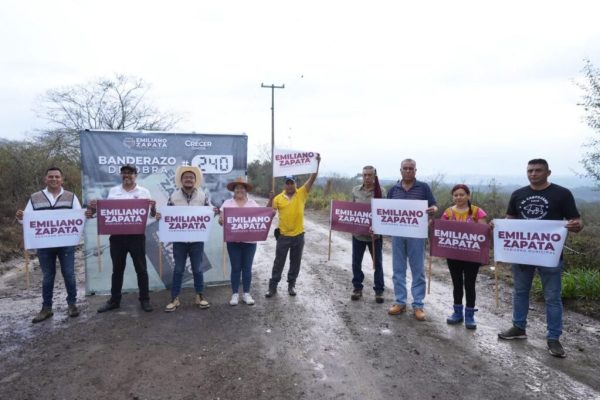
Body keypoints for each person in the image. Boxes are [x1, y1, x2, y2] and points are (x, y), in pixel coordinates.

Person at [498, 159, 583, 358]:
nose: (533, 174)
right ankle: (518, 327)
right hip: (522, 253)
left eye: (537, 170)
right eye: (530, 171)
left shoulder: (562, 194)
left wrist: (576, 226)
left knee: (552, 297)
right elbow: (510, 221)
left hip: (550, 255)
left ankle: (553, 338)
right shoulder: (518, 194)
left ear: (548, 172)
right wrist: (499, 228)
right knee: (520, 292)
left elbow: (577, 220)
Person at [16, 167, 82, 323]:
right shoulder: (35, 197)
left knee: (69, 274)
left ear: (62, 179)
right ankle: (46, 308)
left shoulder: (71, 197)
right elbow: (26, 220)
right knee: (48, 276)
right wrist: (20, 217)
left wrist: (86, 215)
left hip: (66, 243)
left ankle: (72, 305)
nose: (54, 179)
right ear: (45, 179)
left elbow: (79, 217)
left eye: (57, 177)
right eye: (51, 177)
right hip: (44, 244)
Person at [87, 164, 156, 313]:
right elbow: (108, 213)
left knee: (141, 269)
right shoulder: (113, 191)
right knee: (117, 270)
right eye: (124, 173)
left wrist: (154, 208)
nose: (127, 175)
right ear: (121, 175)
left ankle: (145, 299)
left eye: (130, 173)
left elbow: (151, 216)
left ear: (135, 175)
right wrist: (96, 208)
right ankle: (114, 300)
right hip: (117, 237)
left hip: (137, 237)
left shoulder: (144, 192)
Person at [386, 159, 438, 321]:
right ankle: (400, 301)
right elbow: (386, 210)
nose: (408, 171)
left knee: (418, 270)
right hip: (398, 234)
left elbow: (434, 205)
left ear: (416, 170)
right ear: (400, 170)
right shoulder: (393, 189)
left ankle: (418, 304)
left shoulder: (423, 187)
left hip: (417, 234)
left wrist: (433, 210)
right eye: (405, 168)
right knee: (398, 269)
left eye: (411, 169)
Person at [265, 153, 321, 297]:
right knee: (279, 263)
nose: (290, 185)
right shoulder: (278, 198)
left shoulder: (301, 193)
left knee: (295, 263)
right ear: (284, 184)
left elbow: (312, 178)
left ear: (295, 183)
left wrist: (316, 164)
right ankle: (273, 286)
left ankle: (291, 285)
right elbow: (268, 214)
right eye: (287, 182)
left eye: (292, 182)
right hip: (283, 236)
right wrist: (270, 200)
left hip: (298, 236)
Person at [157, 166, 211, 312]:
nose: (188, 179)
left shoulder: (202, 196)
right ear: (181, 180)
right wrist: (160, 216)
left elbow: (209, 213)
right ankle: (175, 298)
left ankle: (200, 296)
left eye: (191, 177)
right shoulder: (173, 196)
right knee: (179, 269)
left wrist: (215, 211)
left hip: (197, 240)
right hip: (179, 240)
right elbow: (167, 215)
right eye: (185, 177)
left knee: (198, 269)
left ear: (195, 180)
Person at [441, 184, 488, 329]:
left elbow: (484, 231)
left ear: (468, 195)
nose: (459, 197)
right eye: (456, 195)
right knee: (456, 283)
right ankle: (457, 313)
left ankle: (470, 315)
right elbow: (442, 230)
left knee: (470, 284)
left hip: (471, 255)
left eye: (462, 194)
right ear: (452, 197)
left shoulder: (476, 211)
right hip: (453, 254)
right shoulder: (448, 212)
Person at [218, 177, 260, 306]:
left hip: (250, 242)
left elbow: (260, 219)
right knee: (236, 268)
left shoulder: (253, 204)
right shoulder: (227, 204)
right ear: (234, 190)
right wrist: (221, 220)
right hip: (233, 241)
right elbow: (220, 220)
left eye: (242, 188)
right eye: (237, 188)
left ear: (246, 190)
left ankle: (246, 294)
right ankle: (235, 294)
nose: (240, 190)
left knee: (247, 268)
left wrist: (270, 214)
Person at [350, 165, 386, 303]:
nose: (367, 177)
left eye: (370, 175)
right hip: (358, 235)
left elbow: (384, 213)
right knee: (356, 263)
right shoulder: (355, 190)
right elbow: (352, 211)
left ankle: (379, 291)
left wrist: (377, 227)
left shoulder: (381, 191)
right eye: (364, 175)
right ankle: (357, 288)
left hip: (375, 236)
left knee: (378, 264)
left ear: (374, 176)